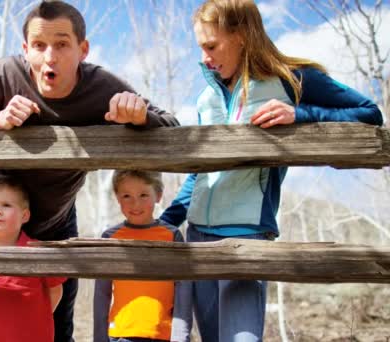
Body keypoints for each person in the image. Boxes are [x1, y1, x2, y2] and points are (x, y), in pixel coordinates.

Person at [0, 1, 178, 340]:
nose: (50, 56)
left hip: (58, 222)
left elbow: (170, 125)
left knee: (58, 325)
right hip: (3, 221)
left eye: (62, 44)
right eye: (39, 45)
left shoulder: (101, 86)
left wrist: (140, 116)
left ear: (83, 49)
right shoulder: (4, 75)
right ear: (25, 49)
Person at [161, 1, 384, 341]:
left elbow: (369, 112)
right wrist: (166, 221)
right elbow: (201, 172)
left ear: (242, 36)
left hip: (246, 235)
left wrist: (301, 114)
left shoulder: (289, 81)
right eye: (200, 47)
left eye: (211, 45)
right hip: (198, 236)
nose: (204, 57)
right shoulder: (206, 98)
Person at [0, 175, 66, 342]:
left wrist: (38, 317)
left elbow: (56, 290)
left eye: (6, 205)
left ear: (25, 216)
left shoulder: (37, 253)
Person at [93, 170, 190, 342]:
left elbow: (183, 290)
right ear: (117, 198)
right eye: (126, 196)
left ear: (158, 196)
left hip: (162, 334)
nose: (135, 204)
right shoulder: (110, 237)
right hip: (121, 334)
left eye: (144, 195)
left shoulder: (171, 236)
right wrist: (100, 338)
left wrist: (181, 337)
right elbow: (102, 293)